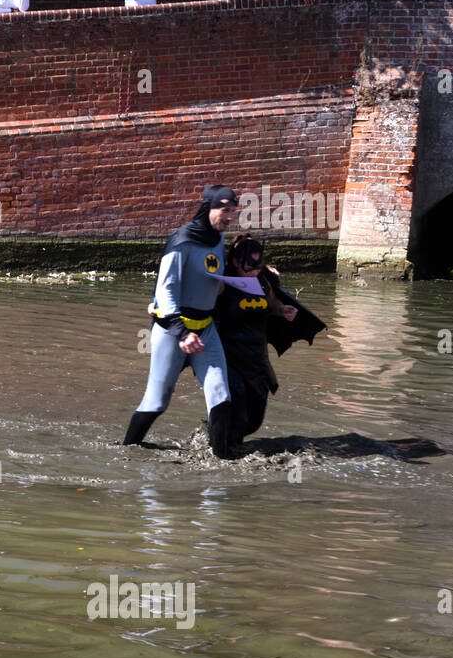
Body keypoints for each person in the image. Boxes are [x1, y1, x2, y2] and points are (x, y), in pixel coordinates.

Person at [123, 185, 236, 459]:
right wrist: (183, 332)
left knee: (221, 394)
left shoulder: (218, 238)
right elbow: (166, 290)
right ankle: (127, 452)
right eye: (224, 210)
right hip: (173, 332)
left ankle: (223, 461)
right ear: (208, 208)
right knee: (157, 401)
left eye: (233, 211)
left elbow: (214, 274)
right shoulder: (182, 241)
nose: (229, 217)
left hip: (206, 330)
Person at [212, 234, 323, 446]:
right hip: (229, 357)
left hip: (257, 358)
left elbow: (272, 304)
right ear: (235, 261)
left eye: (258, 266)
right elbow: (199, 299)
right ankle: (226, 452)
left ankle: (223, 439)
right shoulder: (223, 284)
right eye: (250, 267)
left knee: (254, 420)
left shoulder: (263, 281)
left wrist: (282, 310)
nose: (254, 272)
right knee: (238, 411)